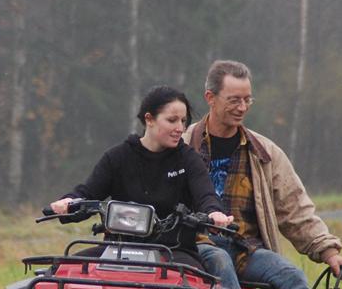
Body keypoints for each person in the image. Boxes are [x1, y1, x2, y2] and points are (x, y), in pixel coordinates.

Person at [184, 60, 342, 289]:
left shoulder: (265, 153)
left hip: (246, 248)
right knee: (219, 262)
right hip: (197, 245)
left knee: (292, 277)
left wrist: (328, 251)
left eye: (247, 100)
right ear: (210, 97)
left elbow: (295, 209)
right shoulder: (182, 146)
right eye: (233, 100)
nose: (242, 107)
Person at [50, 85, 233, 268]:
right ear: (149, 119)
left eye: (183, 121)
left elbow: (206, 195)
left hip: (173, 251)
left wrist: (214, 213)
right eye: (172, 120)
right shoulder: (117, 157)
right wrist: (68, 202)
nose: (180, 128)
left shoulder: (188, 160)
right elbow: (87, 192)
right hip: (117, 248)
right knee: (59, 273)